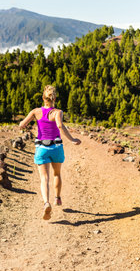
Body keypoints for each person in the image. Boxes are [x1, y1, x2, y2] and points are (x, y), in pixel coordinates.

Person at [19, 85, 81, 220]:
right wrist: (72, 139)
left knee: (44, 178)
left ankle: (46, 202)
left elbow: (22, 124)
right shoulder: (58, 112)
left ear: (43, 97)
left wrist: (24, 125)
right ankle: (57, 198)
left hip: (41, 148)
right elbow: (60, 125)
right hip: (56, 147)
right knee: (57, 174)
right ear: (54, 98)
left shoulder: (35, 111)